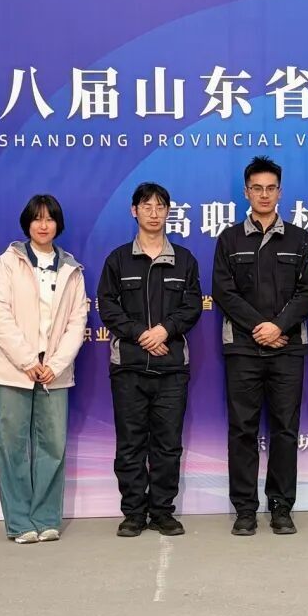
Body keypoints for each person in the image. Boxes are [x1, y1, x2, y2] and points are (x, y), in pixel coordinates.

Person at [212, 156, 308, 536]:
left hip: (288, 348)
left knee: (285, 429)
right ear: (246, 192)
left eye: (270, 188)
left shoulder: (299, 238)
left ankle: (281, 507)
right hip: (243, 348)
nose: (264, 194)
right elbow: (224, 291)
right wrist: (260, 327)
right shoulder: (230, 239)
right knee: (242, 429)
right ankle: (244, 509)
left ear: (280, 192)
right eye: (256, 188)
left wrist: (279, 327)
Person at [0, 194, 90, 544]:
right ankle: (19, 522)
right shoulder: (8, 262)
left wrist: (54, 364)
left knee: (52, 446)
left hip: (54, 372)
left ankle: (46, 518)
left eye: (50, 219)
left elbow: (77, 322)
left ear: (59, 225)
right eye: (37, 218)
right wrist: (27, 360)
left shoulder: (72, 269)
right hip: (13, 368)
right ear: (27, 223)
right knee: (11, 446)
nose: (43, 225)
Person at [98, 182, 203, 538]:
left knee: (167, 445)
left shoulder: (184, 260)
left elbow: (192, 306)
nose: (154, 213)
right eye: (147, 206)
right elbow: (107, 306)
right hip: (128, 367)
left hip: (172, 368)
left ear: (168, 212)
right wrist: (141, 334)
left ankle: (162, 512)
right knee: (130, 444)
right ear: (134, 211)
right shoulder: (118, 260)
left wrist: (164, 331)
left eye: (160, 207)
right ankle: (133, 513)